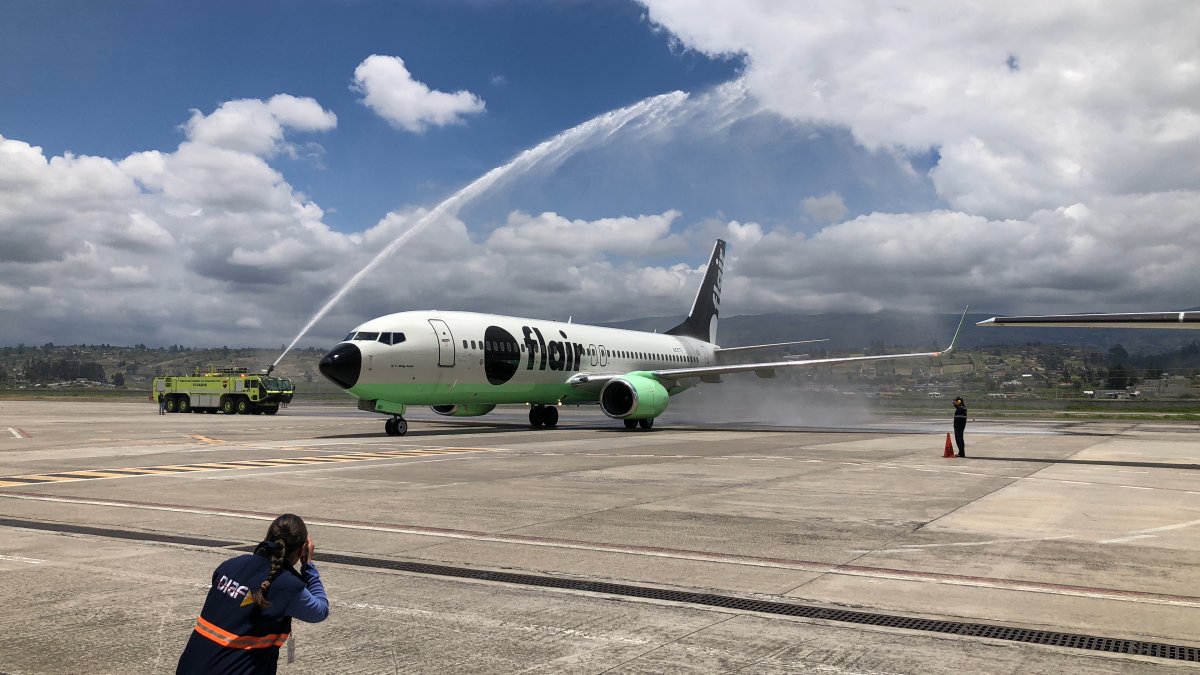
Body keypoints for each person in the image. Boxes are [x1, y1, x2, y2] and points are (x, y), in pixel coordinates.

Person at [177, 514, 329, 674]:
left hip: (188, 668)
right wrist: (308, 566)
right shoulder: (288, 586)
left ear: (266, 538)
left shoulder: (231, 565)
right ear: (301, 550)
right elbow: (320, 611)